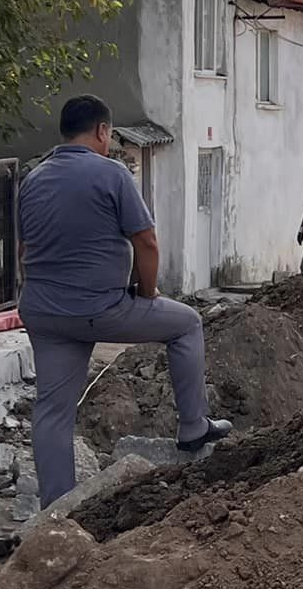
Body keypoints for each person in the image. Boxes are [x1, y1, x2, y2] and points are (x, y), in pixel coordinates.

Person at [19, 95, 230, 512]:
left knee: (53, 411)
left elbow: (26, 248)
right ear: (102, 131)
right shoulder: (112, 173)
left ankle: (55, 512)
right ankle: (193, 427)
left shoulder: (32, 179)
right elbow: (147, 242)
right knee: (186, 323)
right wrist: (147, 291)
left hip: (43, 312)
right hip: (101, 310)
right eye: (109, 134)